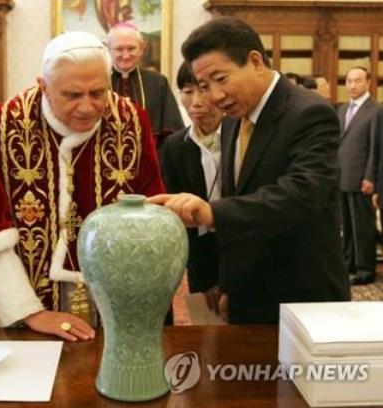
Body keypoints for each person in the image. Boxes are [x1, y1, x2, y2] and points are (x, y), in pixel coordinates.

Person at [0, 31, 165, 341]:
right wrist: (29, 311)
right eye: (73, 95)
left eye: (98, 93)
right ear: (44, 86)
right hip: (20, 298)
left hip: (112, 299)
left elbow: (149, 213)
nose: (87, 107)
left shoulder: (131, 120)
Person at [149, 17, 350, 324]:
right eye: (203, 85)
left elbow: (304, 192)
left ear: (255, 61)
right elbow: (239, 195)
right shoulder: (232, 121)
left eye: (220, 79)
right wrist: (227, 285)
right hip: (247, 296)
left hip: (301, 296)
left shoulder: (308, 112)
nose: (214, 95)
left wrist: (213, 213)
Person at [161, 62, 225, 300]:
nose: (196, 102)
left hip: (242, 245)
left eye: (204, 89)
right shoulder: (175, 146)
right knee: (206, 323)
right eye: (188, 92)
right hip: (200, 250)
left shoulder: (243, 137)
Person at [337, 67, 382, 285]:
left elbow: (376, 147)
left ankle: (365, 269)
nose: (352, 85)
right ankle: (350, 264)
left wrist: (371, 177)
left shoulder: (376, 110)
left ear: (368, 83)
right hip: (343, 176)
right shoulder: (342, 108)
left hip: (362, 178)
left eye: (357, 81)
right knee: (346, 225)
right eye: (349, 81)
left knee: (362, 227)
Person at [107, 22, 183, 147]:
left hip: (149, 161)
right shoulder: (98, 82)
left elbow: (172, 133)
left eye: (131, 48)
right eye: (119, 49)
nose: (126, 55)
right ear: (109, 49)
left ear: (142, 49)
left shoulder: (158, 83)